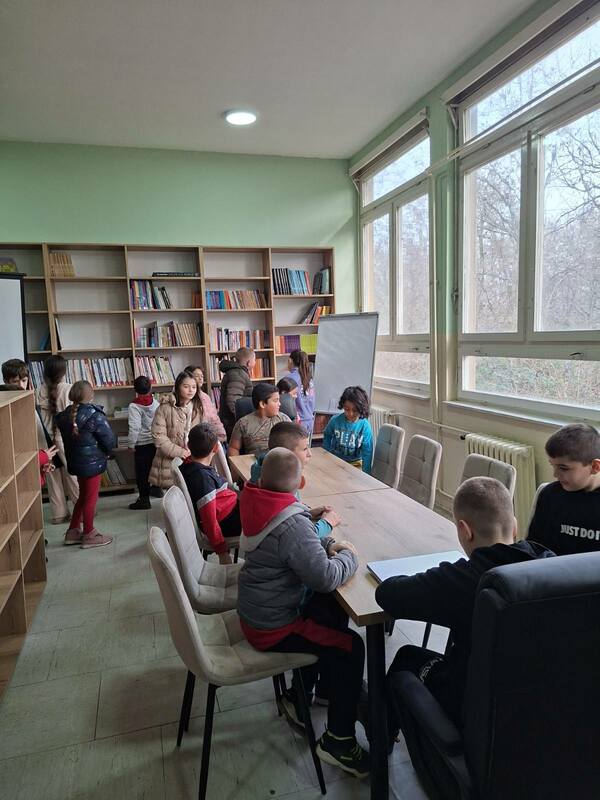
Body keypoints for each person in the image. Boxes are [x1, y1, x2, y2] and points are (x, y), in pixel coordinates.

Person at [375, 477, 555, 739]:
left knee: (407, 658)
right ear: (515, 526)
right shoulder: (550, 564)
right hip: (538, 711)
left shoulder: (462, 579)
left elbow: (388, 595)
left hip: (473, 708)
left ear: (464, 531)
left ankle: (381, 741)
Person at [237, 448, 369, 778]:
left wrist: (320, 537)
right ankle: (338, 740)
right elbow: (325, 577)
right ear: (301, 483)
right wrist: (348, 555)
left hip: (259, 609)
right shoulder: (292, 527)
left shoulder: (255, 499)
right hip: (273, 627)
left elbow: (293, 542)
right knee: (352, 647)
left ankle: (306, 695)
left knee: (328, 610)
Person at [250, 421, 340, 539]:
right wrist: (327, 523)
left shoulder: (270, 475)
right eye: (305, 449)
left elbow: (286, 518)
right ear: (286, 454)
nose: (310, 454)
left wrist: (307, 512)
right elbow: (302, 537)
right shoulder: (278, 486)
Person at [55, 380, 116, 548]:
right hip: (92, 464)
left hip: (77, 463)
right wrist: (108, 451)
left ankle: (73, 531)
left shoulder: (65, 416)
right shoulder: (95, 415)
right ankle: (89, 534)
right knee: (90, 499)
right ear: (91, 395)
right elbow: (109, 439)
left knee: (83, 496)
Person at [528, 423, 600, 555]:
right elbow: (534, 547)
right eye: (553, 466)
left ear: (595, 467)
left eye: (563, 468)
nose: (555, 474)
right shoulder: (549, 495)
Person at [178, 422, 241, 564]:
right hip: (228, 521)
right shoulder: (202, 478)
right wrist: (222, 552)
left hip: (229, 511)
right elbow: (209, 520)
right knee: (268, 520)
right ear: (216, 448)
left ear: (188, 446)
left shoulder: (189, 466)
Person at [36, 355, 80, 524]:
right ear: (63, 371)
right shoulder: (69, 389)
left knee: (52, 477)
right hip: (64, 437)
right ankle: (81, 512)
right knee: (73, 474)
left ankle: (59, 514)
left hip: (44, 439)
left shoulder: (39, 391)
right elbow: (74, 416)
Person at [1, 359, 57, 484]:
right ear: (5, 381)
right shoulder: (6, 407)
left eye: (24, 380)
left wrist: (43, 463)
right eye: (15, 381)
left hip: (34, 462)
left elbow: (35, 437)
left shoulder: (28, 400)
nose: (21, 386)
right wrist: (42, 458)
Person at [149, 371, 200, 490]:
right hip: (169, 461)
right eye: (186, 386)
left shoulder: (197, 408)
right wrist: (181, 452)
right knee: (174, 494)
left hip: (192, 459)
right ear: (177, 387)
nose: (191, 390)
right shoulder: (164, 408)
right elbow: (159, 437)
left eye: (194, 387)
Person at [227, 382, 290, 457]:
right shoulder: (243, 423)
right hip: (254, 462)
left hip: (279, 460)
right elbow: (233, 448)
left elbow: (295, 443)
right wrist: (238, 463)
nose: (279, 404)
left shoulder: (284, 419)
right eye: (275, 401)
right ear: (262, 404)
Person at [127, 375, 160, 510]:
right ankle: (157, 489)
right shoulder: (156, 403)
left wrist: (131, 444)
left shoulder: (134, 406)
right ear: (150, 388)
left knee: (142, 473)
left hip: (141, 444)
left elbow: (134, 427)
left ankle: (144, 499)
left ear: (135, 389)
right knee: (155, 468)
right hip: (155, 442)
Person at [323, 386, 373, 473]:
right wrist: (326, 455)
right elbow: (327, 435)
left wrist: (366, 474)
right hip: (335, 460)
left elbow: (367, 453)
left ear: (361, 409)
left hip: (355, 464)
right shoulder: (335, 420)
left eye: (355, 410)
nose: (350, 413)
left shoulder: (365, 427)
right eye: (347, 409)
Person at [218, 347, 255, 439]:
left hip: (231, 422)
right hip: (233, 424)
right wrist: (243, 422)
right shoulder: (238, 374)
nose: (255, 362)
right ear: (249, 362)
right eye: (254, 360)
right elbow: (233, 400)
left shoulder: (237, 372)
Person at [184, 364, 226, 441]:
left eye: (202, 376)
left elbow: (214, 418)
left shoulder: (205, 397)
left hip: (207, 437)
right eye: (197, 376)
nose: (200, 378)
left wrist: (221, 434)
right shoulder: (184, 397)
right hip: (190, 438)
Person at [286, 349, 315, 433]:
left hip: (297, 421)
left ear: (290, 360)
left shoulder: (289, 379)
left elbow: (285, 402)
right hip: (310, 420)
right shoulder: (309, 378)